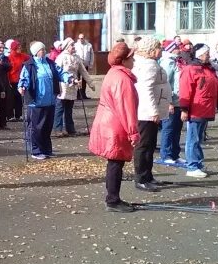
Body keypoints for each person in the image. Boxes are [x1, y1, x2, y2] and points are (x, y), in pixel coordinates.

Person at [88, 42, 139, 213]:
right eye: (131, 57)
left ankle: (113, 198)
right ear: (124, 60)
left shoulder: (114, 73)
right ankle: (113, 200)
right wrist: (133, 133)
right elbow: (127, 108)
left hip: (110, 122)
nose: (134, 60)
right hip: (116, 125)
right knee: (116, 163)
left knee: (115, 162)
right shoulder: (122, 79)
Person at [179, 43, 218, 178]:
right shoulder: (190, 70)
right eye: (206, 53)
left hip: (206, 109)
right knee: (193, 139)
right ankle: (192, 167)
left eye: (208, 53)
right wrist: (184, 109)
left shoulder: (208, 69)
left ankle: (197, 163)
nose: (209, 55)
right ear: (199, 55)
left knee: (199, 138)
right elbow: (185, 90)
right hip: (196, 110)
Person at [131, 36, 172, 191]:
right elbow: (145, 89)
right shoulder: (148, 65)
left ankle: (148, 176)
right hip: (146, 112)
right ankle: (141, 178)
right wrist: (153, 110)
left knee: (150, 144)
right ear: (151, 50)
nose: (161, 50)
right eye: (158, 47)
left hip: (151, 110)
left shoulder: (150, 63)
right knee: (144, 145)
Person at [18, 42, 70, 160]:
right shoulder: (29, 65)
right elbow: (24, 79)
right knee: (36, 128)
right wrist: (22, 87)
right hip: (36, 102)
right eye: (42, 49)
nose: (44, 51)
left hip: (50, 101)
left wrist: (70, 78)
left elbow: (60, 72)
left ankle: (47, 150)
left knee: (47, 127)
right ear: (36, 52)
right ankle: (36, 151)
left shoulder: (50, 63)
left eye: (44, 49)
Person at [53, 37, 94, 137]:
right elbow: (56, 71)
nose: (73, 47)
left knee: (69, 109)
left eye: (73, 45)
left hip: (73, 86)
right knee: (60, 108)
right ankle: (58, 129)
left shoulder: (76, 57)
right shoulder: (61, 57)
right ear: (67, 47)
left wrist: (90, 83)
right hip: (62, 86)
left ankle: (70, 129)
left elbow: (83, 71)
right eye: (72, 45)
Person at [159, 40, 185, 164]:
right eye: (177, 47)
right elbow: (166, 83)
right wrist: (168, 102)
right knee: (168, 128)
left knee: (177, 128)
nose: (180, 49)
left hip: (179, 100)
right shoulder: (167, 62)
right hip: (170, 101)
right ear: (171, 49)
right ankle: (166, 154)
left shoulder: (177, 61)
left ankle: (175, 154)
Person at [6, 39, 29, 121]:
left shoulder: (23, 56)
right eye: (18, 47)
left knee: (19, 98)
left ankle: (19, 115)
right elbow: (7, 70)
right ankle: (10, 115)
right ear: (14, 48)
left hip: (19, 80)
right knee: (11, 98)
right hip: (11, 80)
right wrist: (7, 81)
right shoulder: (9, 57)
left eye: (20, 47)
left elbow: (30, 59)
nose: (20, 48)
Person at [75, 33, 95, 99]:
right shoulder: (76, 45)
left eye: (82, 38)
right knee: (77, 79)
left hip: (85, 65)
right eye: (80, 38)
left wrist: (91, 64)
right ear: (78, 38)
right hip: (78, 65)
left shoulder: (89, 45)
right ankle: (78, 94)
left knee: (85, 80)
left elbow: (92, 55)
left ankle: (83, 94)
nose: (81, 39)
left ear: (84, 38)